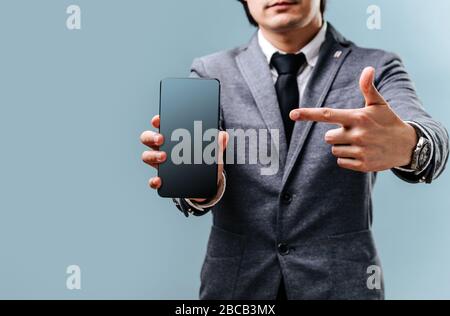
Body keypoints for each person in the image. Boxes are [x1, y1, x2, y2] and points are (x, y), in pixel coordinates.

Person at [140, 0, 449, 299]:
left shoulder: (376, 66)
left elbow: (431, 136)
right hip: (237, 288)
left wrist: (410, 144)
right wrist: (199, 185)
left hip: (342, 285)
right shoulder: (210, 71)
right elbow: (190, 187)